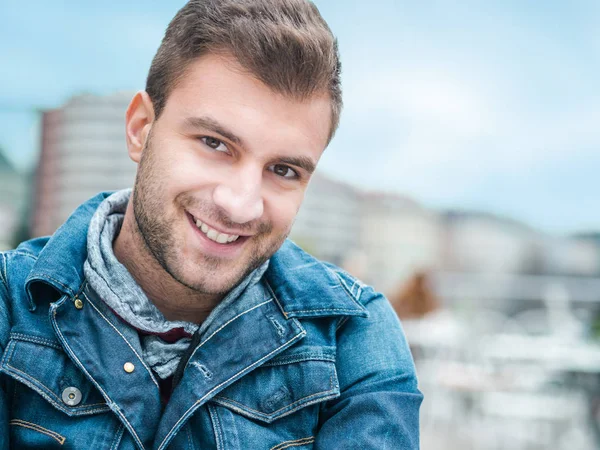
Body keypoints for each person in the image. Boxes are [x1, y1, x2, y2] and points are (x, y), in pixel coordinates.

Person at [0, 1, 422, 448]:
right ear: (141, 129)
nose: (241, 205)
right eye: (214, 143)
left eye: (283, 170)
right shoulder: (10, 304)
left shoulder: (354, 335)